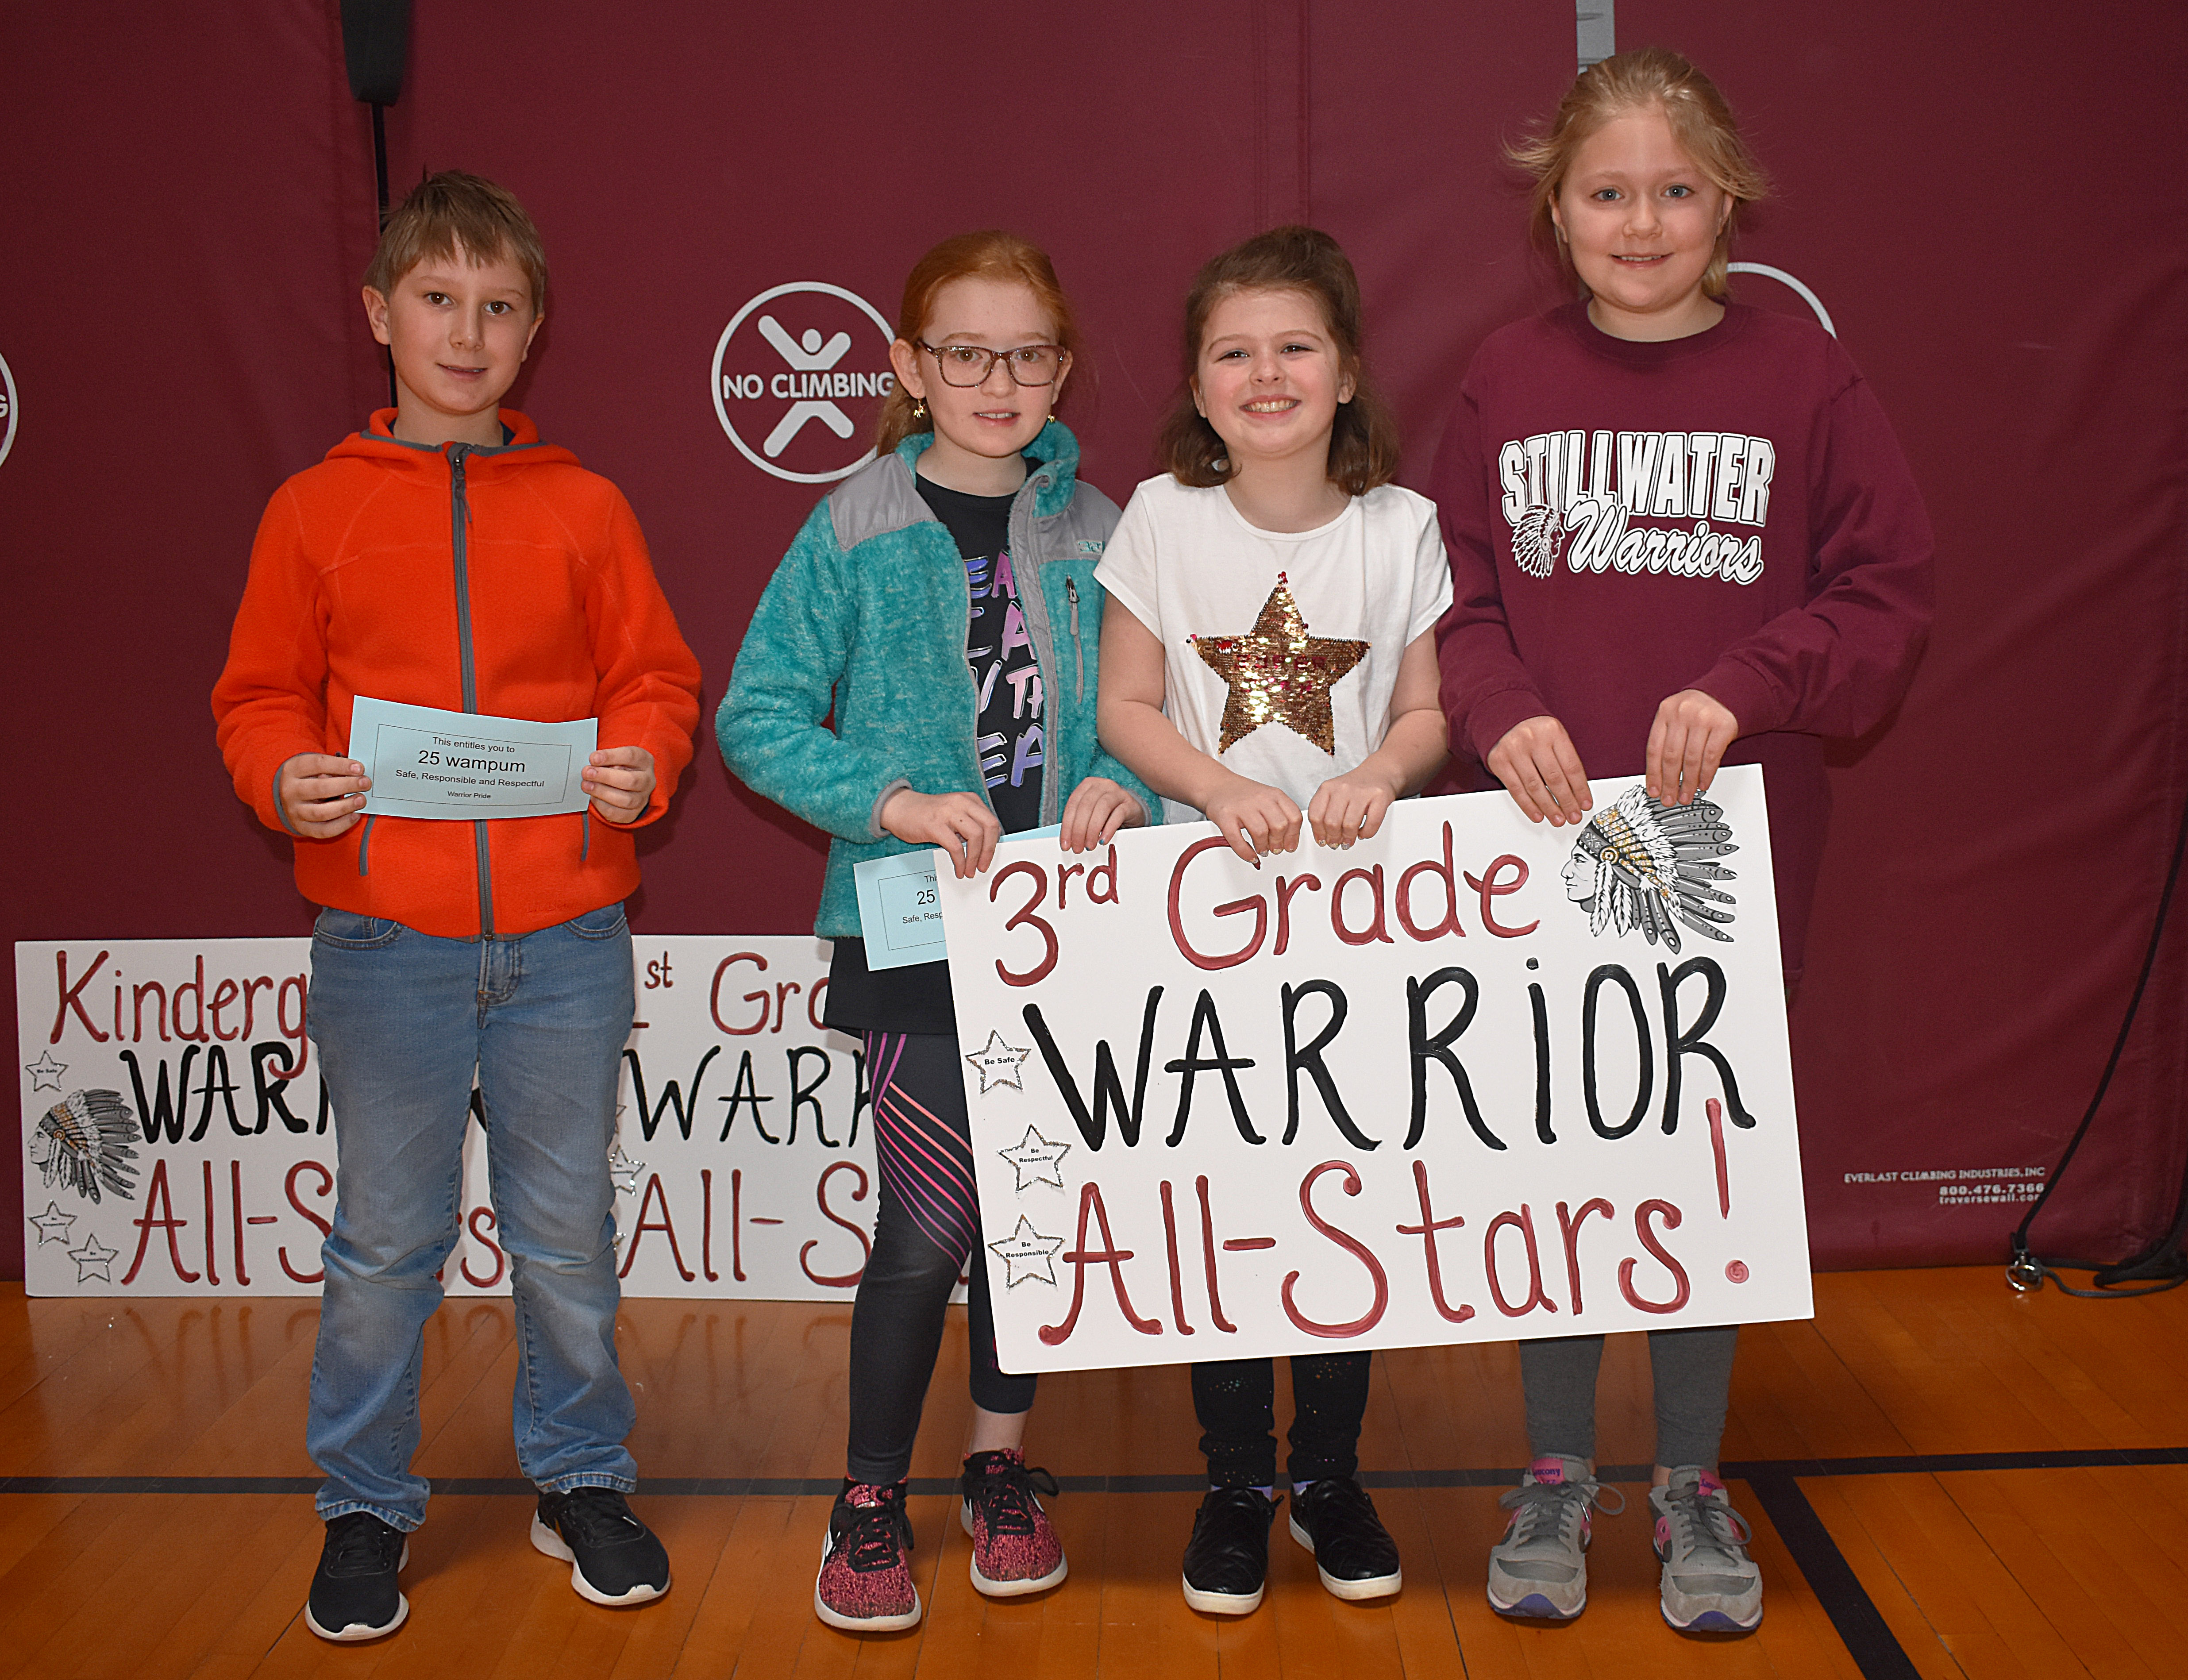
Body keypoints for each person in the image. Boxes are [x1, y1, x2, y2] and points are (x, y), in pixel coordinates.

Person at [1432, 48, 1934, 1634]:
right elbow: (1456, 591)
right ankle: (1559, 1469)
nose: (1640, 222)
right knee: (1566, 1149)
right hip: (1546, 834)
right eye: (1606, 192)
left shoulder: (1804, 379)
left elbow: (1884, 593)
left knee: (1704, 1159)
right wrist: (1498, 703)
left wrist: (1744, 680)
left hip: (1726, 854)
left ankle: (1696, 1485)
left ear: (1726, 202)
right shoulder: (1503, 377)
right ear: (1556, 212)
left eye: (1673, 190)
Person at [211, 171, 701, 1642]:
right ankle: (363, 1501)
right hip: (384, 943)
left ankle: (579, 1475)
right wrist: (283, 776)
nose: (468, 332)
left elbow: (655, 684)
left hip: (566, 937)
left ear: (535, 328)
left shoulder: (589, 508)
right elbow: (256, 698)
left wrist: (643, 768)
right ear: (380, 315)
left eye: (498, 308)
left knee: (564, 1232)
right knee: (383, 1243)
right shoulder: (312, 511)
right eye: (440, 301)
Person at [716, 231, 1155, 1634]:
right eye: (965, 353)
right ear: (908, 367)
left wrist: (1127, 780)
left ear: (1062, 368)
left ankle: (999, 1469)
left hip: (1076, 935)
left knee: (1030, 1226)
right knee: (925, 1226)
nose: (998, 380)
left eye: (1028, 354)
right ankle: (867, 1496)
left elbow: (1170, 721)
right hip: (911, 936)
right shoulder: (852, 521)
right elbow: (755, 717)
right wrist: (890, 797)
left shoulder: (1107, 527)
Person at [1096, 226, 1450, 1615]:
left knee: (1339, 1204)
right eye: (1233, 351)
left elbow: (1424, 709)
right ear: (1196, 380)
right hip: (1202, 925)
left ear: (1349, 370)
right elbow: (1127, 704)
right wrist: (1218, 783)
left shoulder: (1401, 528)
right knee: (1226, 1208)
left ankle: (1331, 1474)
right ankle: (1235, 1478)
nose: (1266, 373)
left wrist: (1376, 773)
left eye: (1296, 345)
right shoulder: (1161, 518)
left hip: (1356, 930)